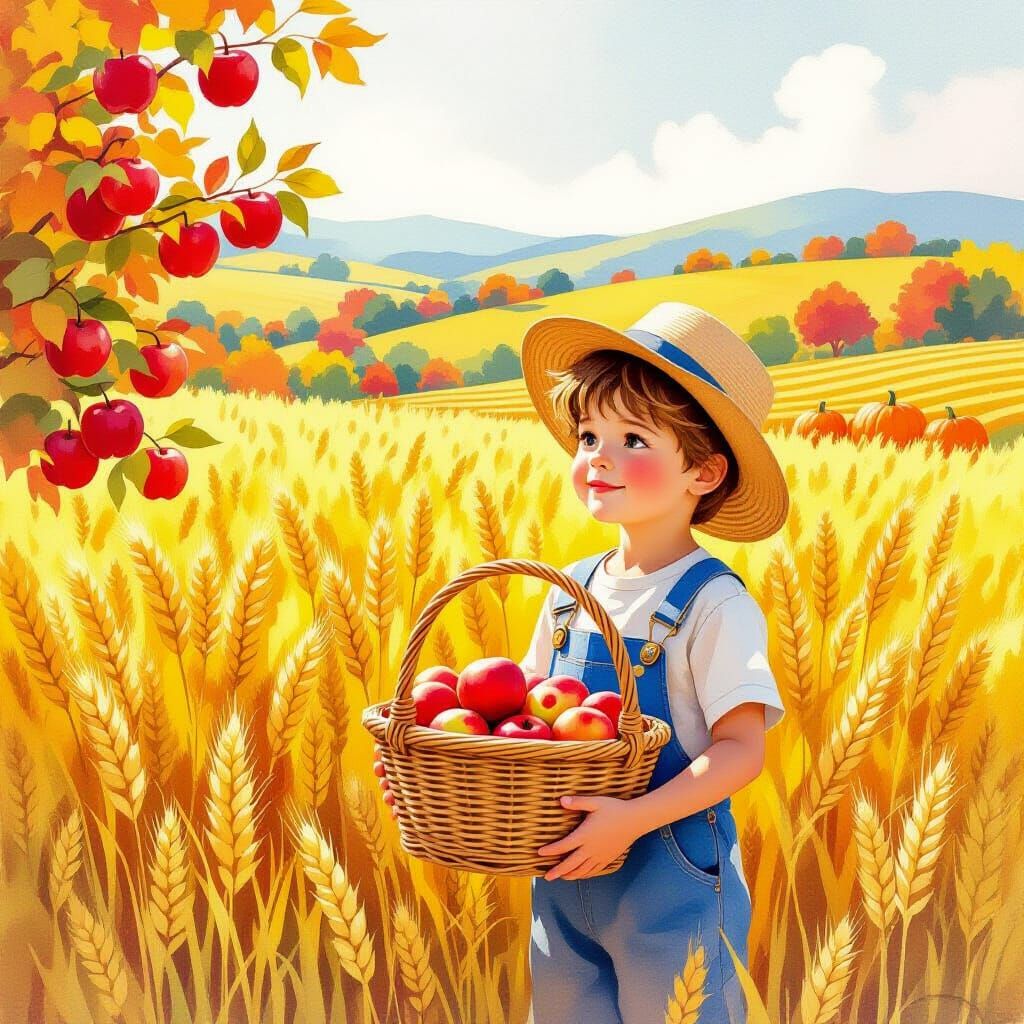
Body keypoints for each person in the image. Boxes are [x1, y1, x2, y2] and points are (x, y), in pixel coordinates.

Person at [375, 300, 790, 1024]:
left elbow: (741, 752)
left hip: (672, 874)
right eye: (588, 434)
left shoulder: (715, 605)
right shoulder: (572, 593)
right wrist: (437, 763)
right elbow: (517, 724)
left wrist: (629, 820)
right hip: (565, 872)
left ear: (703, 471)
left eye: (632, 439)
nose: (597, 455)